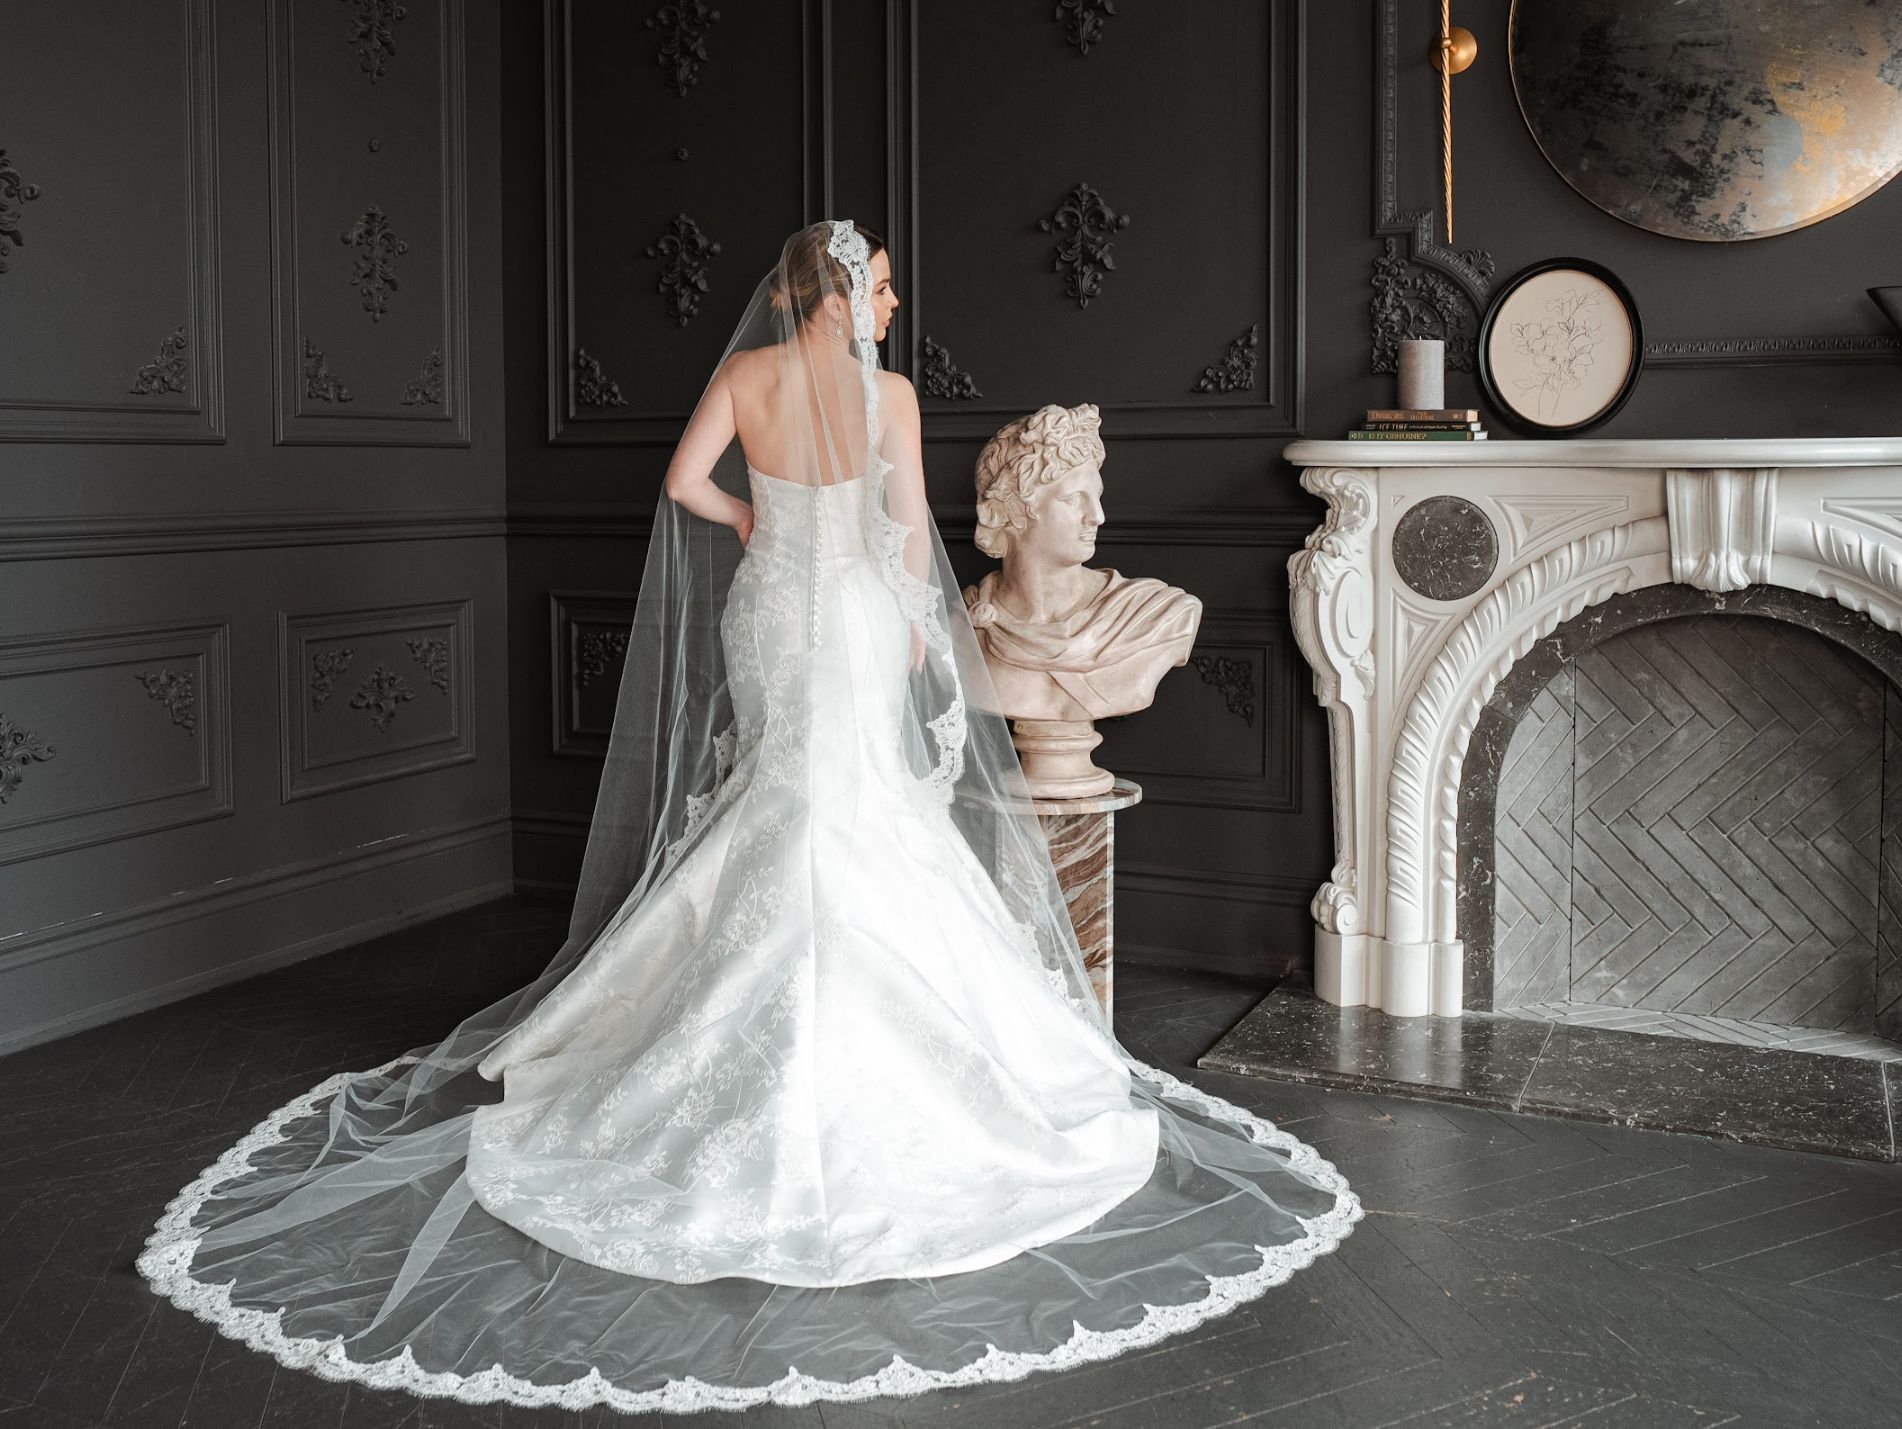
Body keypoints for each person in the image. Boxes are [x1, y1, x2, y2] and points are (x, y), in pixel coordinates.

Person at [136, 220, 1361, 1415]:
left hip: (772, 611)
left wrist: (755, 526)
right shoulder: (885, 400)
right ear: (831, 296)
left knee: (788, 800)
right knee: (857, 806)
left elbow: (682, 484)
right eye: (878, 287)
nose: (890, 305)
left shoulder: (745, 373)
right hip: (860, 618)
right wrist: (926, 643)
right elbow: (897, 543)